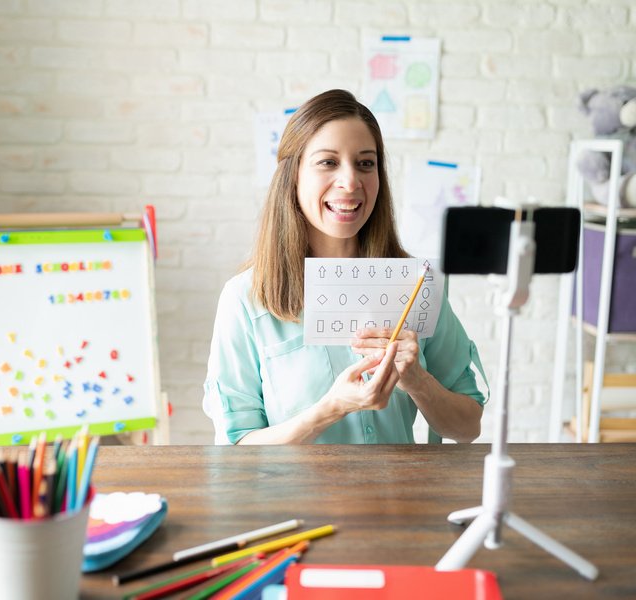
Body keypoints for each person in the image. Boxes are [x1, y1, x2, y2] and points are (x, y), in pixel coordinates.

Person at [202, 89, 486, 445]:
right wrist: (331, 409)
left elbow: (467, 427)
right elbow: (236, 449)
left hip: (398, 500)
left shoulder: (415, 286)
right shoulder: (245, 299)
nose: (351, 182)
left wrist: (418, 381)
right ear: (293, 176)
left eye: (366, 163)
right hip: (291, 502)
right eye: (328, 162)